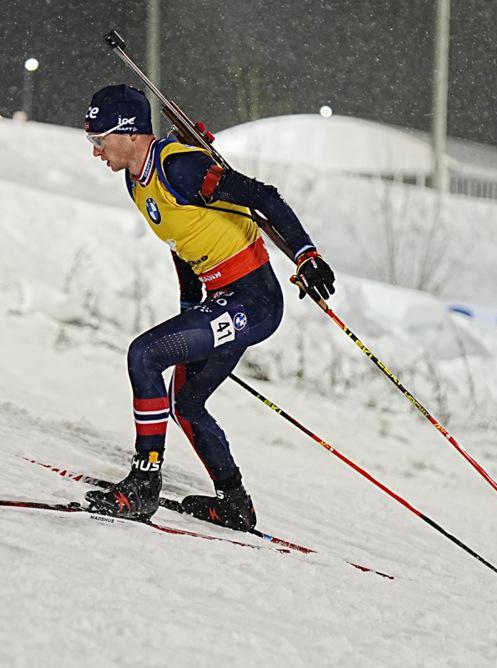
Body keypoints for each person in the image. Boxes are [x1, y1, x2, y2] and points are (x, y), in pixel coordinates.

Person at [82, 84, 335, 531]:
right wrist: (187, 306)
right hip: (220, 299)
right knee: (188, 403)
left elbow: (264, 196)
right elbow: (182, 240)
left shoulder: (181, 167)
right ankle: (235, 503)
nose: (96, 150)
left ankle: (144, 485)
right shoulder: (136, 181)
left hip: (252, 302)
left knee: (145, 355)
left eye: (100, 140)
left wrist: (306, 255)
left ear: (131, 133)